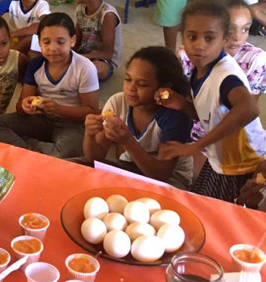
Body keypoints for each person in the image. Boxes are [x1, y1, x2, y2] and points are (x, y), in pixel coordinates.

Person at [158, 0, 266, 203]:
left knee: (220, 213)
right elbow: (210, 115)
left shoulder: (225, 75)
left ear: (224, 39)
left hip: (243, 161)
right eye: (192, 37)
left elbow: (249, 109)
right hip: (220, 157)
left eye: (209, 38)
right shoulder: (200, 70)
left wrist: (195, 146)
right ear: (182, 38)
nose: (199, 45)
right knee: (201, 202)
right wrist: (183, 104)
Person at [0, 13, 100, 159]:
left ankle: (28, 147)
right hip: (42, 118)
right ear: (39, 43)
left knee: (65, 152)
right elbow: (20, 107)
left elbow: (91, 112)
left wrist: (59, 109)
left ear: (72, 41)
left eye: (60, 42)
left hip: (72, 123)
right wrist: (26, 106)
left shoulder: (85, 68)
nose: (53, 48)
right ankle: (42, 154)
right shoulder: (35, 65)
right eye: (46, 42)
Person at [83, 47, 194, 189]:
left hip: (171, 180)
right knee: (82, 168)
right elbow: (94, 159)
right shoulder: (118, 102)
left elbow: (162, 175)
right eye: (128, 79)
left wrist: (128, 141)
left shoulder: (175, 115)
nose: (131, 88)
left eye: (142, 84)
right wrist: (89, 134)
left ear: (165, 89)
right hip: (132, 167)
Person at [73, 0, 122, 81]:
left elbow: (108, 54)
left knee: (96, 69)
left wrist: (81, 58)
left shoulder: (108, 15)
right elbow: (76, 41)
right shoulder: (80, 9)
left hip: (102, 59)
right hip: (84, 53)